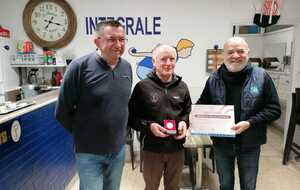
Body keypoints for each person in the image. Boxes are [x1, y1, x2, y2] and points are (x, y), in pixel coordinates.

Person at [55, 20, 132, 190]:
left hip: (117, 150)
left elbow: (122, 105)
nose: (118, 44)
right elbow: (62, 112)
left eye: (122, 39)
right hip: (89, 153)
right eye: (112, 39)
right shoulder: (79, 67)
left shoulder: (126, 67)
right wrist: (85, 135)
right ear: (97, 41)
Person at [196, 36, 281, 190]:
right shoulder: (213, 79)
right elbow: (203, 104)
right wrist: (195, 115)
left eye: (240, 51)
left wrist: (250, 123)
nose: (236, 55)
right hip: (222, 143)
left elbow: (274, 109)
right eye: (231, 52)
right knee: (225, 185)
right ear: (223, 54)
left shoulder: (262, 77)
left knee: (248, 186)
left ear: (248, 52)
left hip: (250, 143)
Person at [128, 44, 192, 190]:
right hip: (152, 150)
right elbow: (131, 118)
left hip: (176, 149)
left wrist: (184, 122)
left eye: (172, 59)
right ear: (154, 61)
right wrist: (149, 127)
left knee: (173, 187)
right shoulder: (142, 87)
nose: (168, 63)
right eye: (163, 59)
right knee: (151, 187)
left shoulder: (182, 87)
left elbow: (187, 112)